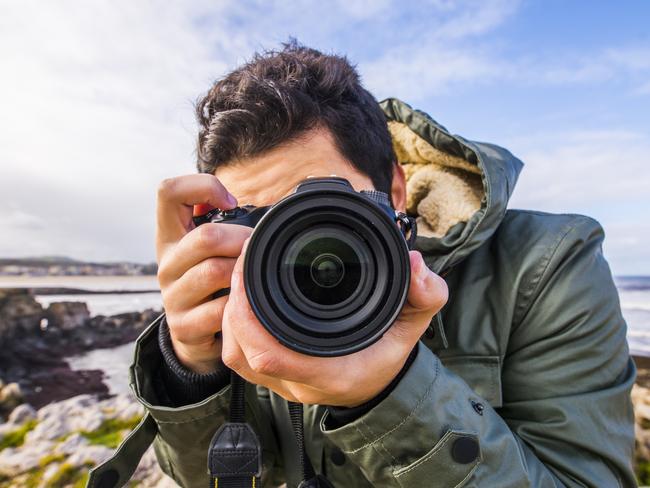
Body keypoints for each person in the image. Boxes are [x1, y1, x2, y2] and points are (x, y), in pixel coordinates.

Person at [88, 40, 636, 487]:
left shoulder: (546, 263)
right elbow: (215, 478)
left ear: (395, 189)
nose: (295, 243)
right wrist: (191, 366)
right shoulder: (237, 290)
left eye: (325, 207)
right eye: (261, 222)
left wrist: (390, 394)